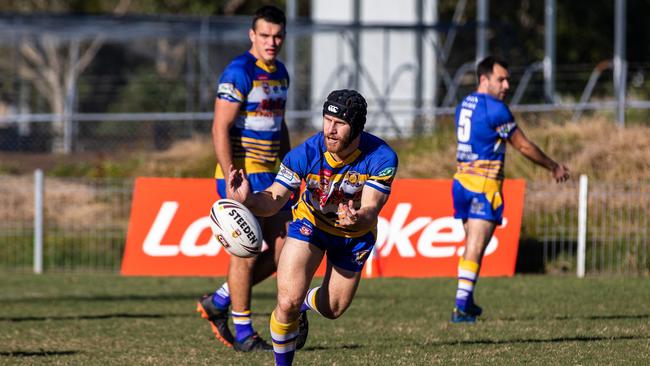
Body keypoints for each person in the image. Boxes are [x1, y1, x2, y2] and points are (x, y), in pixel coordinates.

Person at [227, 89, 398, 365]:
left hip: (353, 236)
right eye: (327, 120)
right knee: (286, 303)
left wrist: (357, 217)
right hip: (311, 224)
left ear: (356, 127)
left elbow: (371, 209)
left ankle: (307, 303)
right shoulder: (304, 154)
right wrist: (248, 199)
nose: (330, 130)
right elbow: (273, 200)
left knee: (333, 308)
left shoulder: (381, 157)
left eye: (339, 123)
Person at [196, 5, 292, 352]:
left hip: (271, 174)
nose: (272, 42)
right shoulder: (238, 72)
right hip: (240, 174)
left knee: (287, 249)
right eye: (265, 35)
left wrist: (291, 165)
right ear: (252, 35)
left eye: (277, 35)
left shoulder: (280, 72)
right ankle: (243, 333)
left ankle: (220, 300)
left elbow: (279, 124)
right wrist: (231, 171)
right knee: (246, 252)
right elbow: (219, 126)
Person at [450, 56, 570, 323]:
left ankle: (466, 302)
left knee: (472, 244)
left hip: (461, 182)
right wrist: (553, 166)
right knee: (476, 245)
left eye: (508, 80)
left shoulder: (463, 104)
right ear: (484, 79)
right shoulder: (496, 109)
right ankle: (460, 305)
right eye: (500, 79)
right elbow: (523, 145)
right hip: (484, 185)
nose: (506, 85)